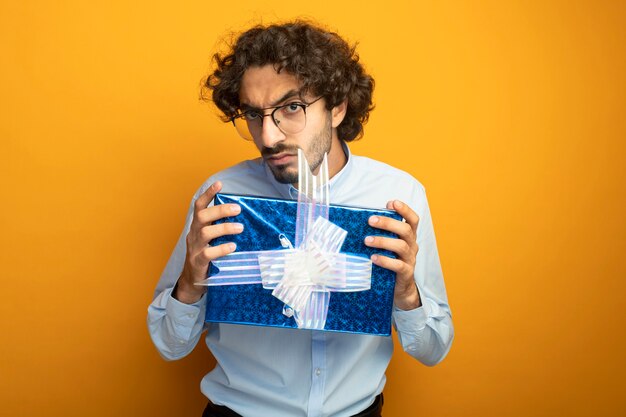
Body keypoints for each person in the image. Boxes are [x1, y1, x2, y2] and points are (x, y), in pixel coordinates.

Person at [148, 20, 453, 417]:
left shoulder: (397, 197)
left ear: (338, 107)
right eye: (254, 115)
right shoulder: (221, 197)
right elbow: (169, 345)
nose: (269, 137)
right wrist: (191, 281)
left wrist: (406, 294)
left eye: (291, 108)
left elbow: (433, 349)